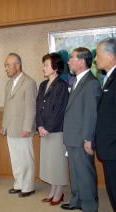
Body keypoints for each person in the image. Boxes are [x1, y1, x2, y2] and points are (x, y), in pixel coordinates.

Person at [61, 47, 100, 211]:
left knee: (85, 175)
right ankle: (77, 200)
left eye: (72, 58)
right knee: (76, 174)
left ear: (82, 62)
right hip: (72, 136)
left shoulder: (91, 83)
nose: (69, 61)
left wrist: (88, 139)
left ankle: (89, 206)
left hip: (82, 138)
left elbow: (91, 114)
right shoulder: (77, 80)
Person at [1, 53, 37, 197]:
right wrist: (4, 125)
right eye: (6, 65)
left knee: (26, 158)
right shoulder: (9, 83)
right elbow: (7, 106)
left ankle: (28, 187)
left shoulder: (29, 82)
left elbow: (31, 107)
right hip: (11, 127)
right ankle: (19, 184)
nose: (6, 68)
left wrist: (27, 128)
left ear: (17, 65)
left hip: (23, 129)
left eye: (8, 65)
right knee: (15, 159)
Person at [36, 53, 69, 205]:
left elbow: (59, 111)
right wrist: (40, 125)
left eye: (46, 65)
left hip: (55, 131)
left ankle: (59, 192)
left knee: (57, 163)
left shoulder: (61, 85)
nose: (44, 68)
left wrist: (47, 128)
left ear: (55, 68)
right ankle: (53, 190)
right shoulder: (43, 85)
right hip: (44, 130)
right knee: (49, 162)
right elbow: (38, 107)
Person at [95, 37, 116, 211]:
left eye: (99, 54)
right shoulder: (108, 77)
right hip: (108, 146)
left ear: (112, 56)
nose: (95, 58)